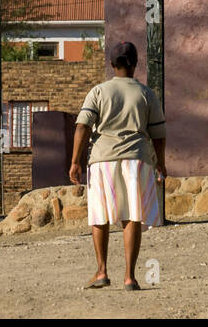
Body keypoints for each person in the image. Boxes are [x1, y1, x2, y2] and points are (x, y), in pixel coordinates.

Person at [69, 41, 167, 290]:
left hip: (103, 160)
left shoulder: (98, 92)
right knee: (132, 215)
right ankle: (129, 277)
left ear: (112, 64)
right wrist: (161, 164)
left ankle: (101, 271)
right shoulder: (147, 94)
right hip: (137, 160)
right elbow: (158, 134)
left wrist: (75, 162)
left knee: (99, 215)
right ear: (135, 64)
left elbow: (82, 126)